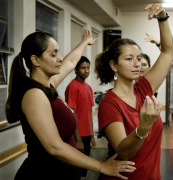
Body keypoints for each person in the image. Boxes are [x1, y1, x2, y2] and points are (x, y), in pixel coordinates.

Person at [5, 28, 136, 180]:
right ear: (35, 60)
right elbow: (54, 147)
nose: (60, 58)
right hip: (43, 174)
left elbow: (71, 61)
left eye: (58, 53)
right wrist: (102, 166)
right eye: (53, 54)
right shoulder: (34, 95)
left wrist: (85, 42)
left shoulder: (47, 86)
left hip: (62, 172)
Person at [95, 4, 173, 180]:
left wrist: (162, 17)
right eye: (129, 59)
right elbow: (124, 150)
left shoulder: (144, 89)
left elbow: (168, 52)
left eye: (138, 58)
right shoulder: (109, 103)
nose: (137, 64)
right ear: (114, 65)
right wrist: (144, 125)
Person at [65, 56, 96, 177]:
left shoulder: (88, 88)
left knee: (83, 171)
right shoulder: (73, 86)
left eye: (88, 68)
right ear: (76, 70)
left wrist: (92, 136)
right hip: (78, 135)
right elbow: (72, 114)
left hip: (87, 135)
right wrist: (78, 140)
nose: (86, 70)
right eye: (83, 68)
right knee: (75, 172)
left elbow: (89, 114)